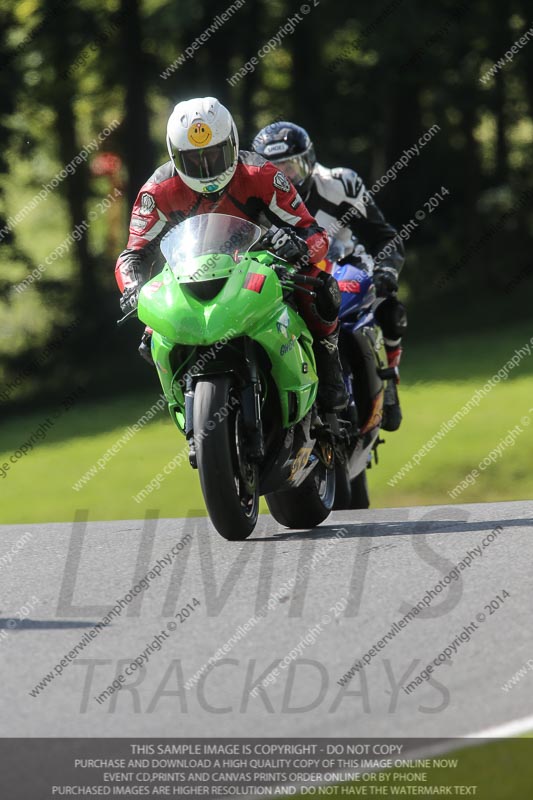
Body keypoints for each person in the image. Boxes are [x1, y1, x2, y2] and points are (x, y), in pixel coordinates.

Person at [115, 97, 348, 411]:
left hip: (259, 265)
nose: (208, 169)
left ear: (233, 144)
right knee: (149, 338)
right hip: (188, 275)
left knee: (321, 290)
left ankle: (331, 376)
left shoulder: (260, 173)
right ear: (174, 156)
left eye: (215, 156)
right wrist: (132, 287)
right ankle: (185, 403)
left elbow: (312, 231)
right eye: (194, 161)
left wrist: (299, 247)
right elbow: (133, 255)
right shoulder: (157, 191)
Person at [251, 121, 407, 431]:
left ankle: (389, 380)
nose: (286, 179)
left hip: (343, 268)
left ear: (308, 161)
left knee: (389, 309)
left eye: (291, 167)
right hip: (285, 280)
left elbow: (383, 235)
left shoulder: (340, 183)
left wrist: (386, 269)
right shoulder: (252, 196)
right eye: (276, 170)